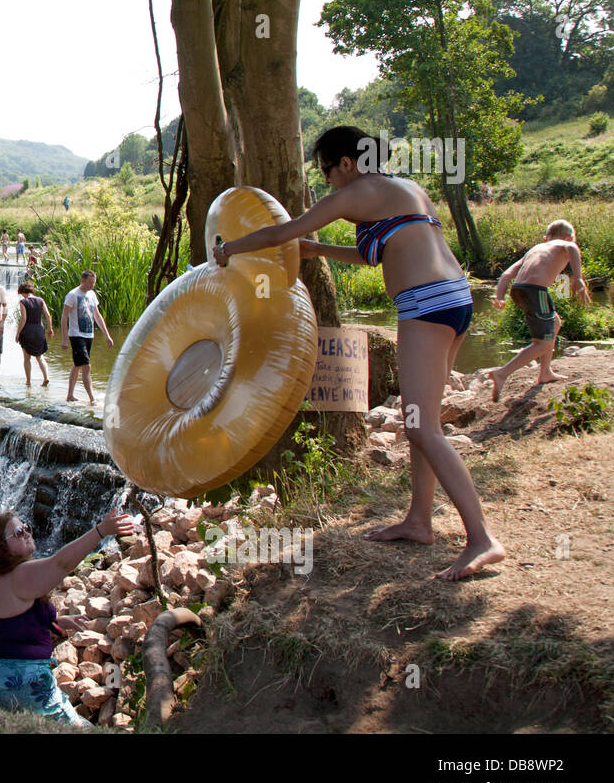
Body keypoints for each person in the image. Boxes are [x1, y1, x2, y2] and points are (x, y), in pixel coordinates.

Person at [212, 125, 504, 581]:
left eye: (326, 170)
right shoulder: (404, 188)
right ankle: (420, 521)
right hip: (454, 298)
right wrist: (318, 250)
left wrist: (227, 249)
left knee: (423, 427)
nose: (327, 180)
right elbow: (376, 255)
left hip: (425, 304)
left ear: (346, 162)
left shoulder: (357, 191)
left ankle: (482, 539)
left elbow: (281, 232)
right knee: (418, 422)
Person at [0, 508, 133, 724]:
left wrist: (54, 622)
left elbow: (7, 621)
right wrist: (101, 530)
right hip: (16, 683)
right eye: (17, 532)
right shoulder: (20, 575)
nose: (26, 532)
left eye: (25, 527)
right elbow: (60, 563)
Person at [488, 220, 590, 401]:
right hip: (535, 290)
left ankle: (545, 372)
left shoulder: (535, 249)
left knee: (555, 322)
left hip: (518, 290)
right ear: (568, 237)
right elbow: (572, 249)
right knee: (541, 343)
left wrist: (500, 297)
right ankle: (502, 373)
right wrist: (578, 278)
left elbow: (506, 275)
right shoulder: (565, 244)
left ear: (546, 237)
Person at [61, 271, 113, 404]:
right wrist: (64, 338)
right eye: (90, 282)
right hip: (76, 334)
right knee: (86, 366)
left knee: (77, 365)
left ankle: (70, 395)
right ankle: (92, 398)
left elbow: (97, 316)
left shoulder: (92, 294)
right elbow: (64, 317)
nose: (92, 285)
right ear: (83, 280)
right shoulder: (72, 295)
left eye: (94, 282)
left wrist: (107, 335)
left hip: (89, 334)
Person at [15, 281, 54, 387]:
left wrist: (18, 333)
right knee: (40, 357)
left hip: (27, 332)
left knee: (26, 358)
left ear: (23, 292)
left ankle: (28, 381)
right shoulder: (41, 300)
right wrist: (50, 329)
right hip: (39, 331)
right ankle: (46, 377)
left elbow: (23, 319)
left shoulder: (23, 302)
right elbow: (48, 315)